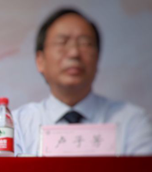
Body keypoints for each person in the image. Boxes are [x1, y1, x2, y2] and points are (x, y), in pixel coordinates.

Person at [13, 8, 152, 156]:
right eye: (62, 42)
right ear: (40, 60)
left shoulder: (131, 121)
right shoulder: (18, 125)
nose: (74, 53)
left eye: (85, 43)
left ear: (97, 58)